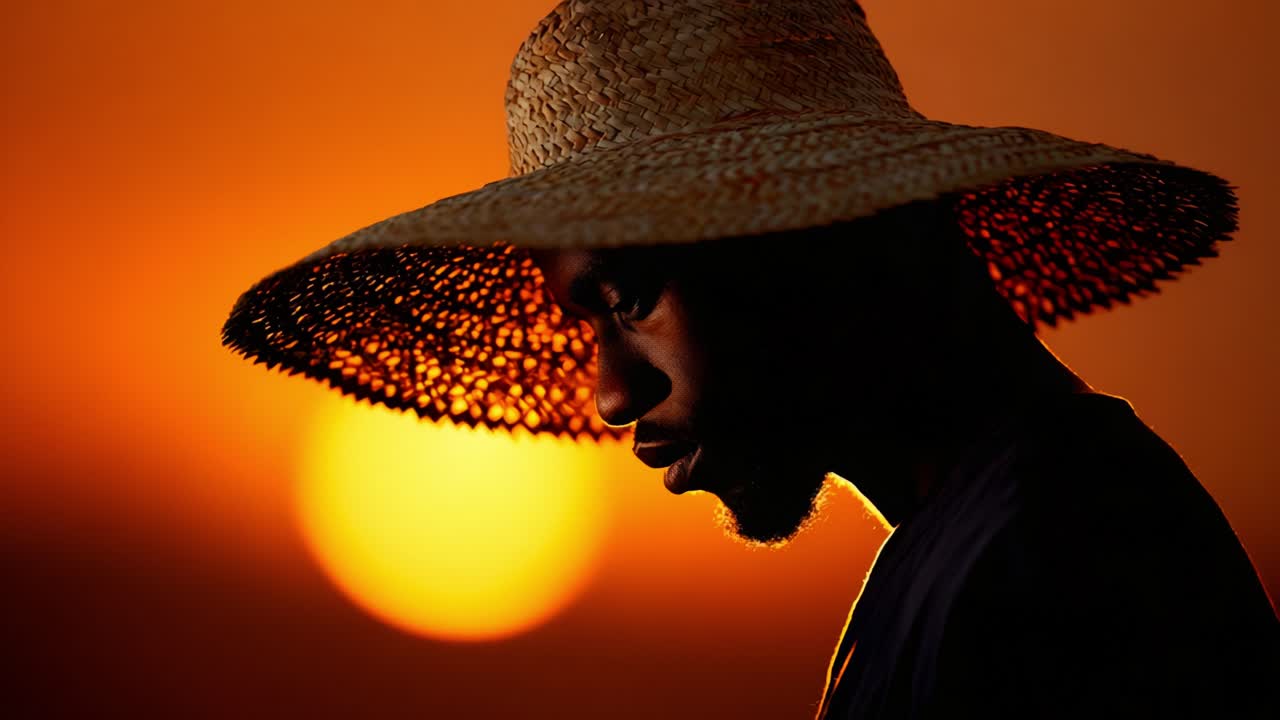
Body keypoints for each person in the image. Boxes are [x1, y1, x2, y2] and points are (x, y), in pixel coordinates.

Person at [221, 1, 1280, 716]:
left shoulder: (1057, 559)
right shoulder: (983, 544)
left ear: (815, 236)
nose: (606, 391)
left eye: (629, 298)